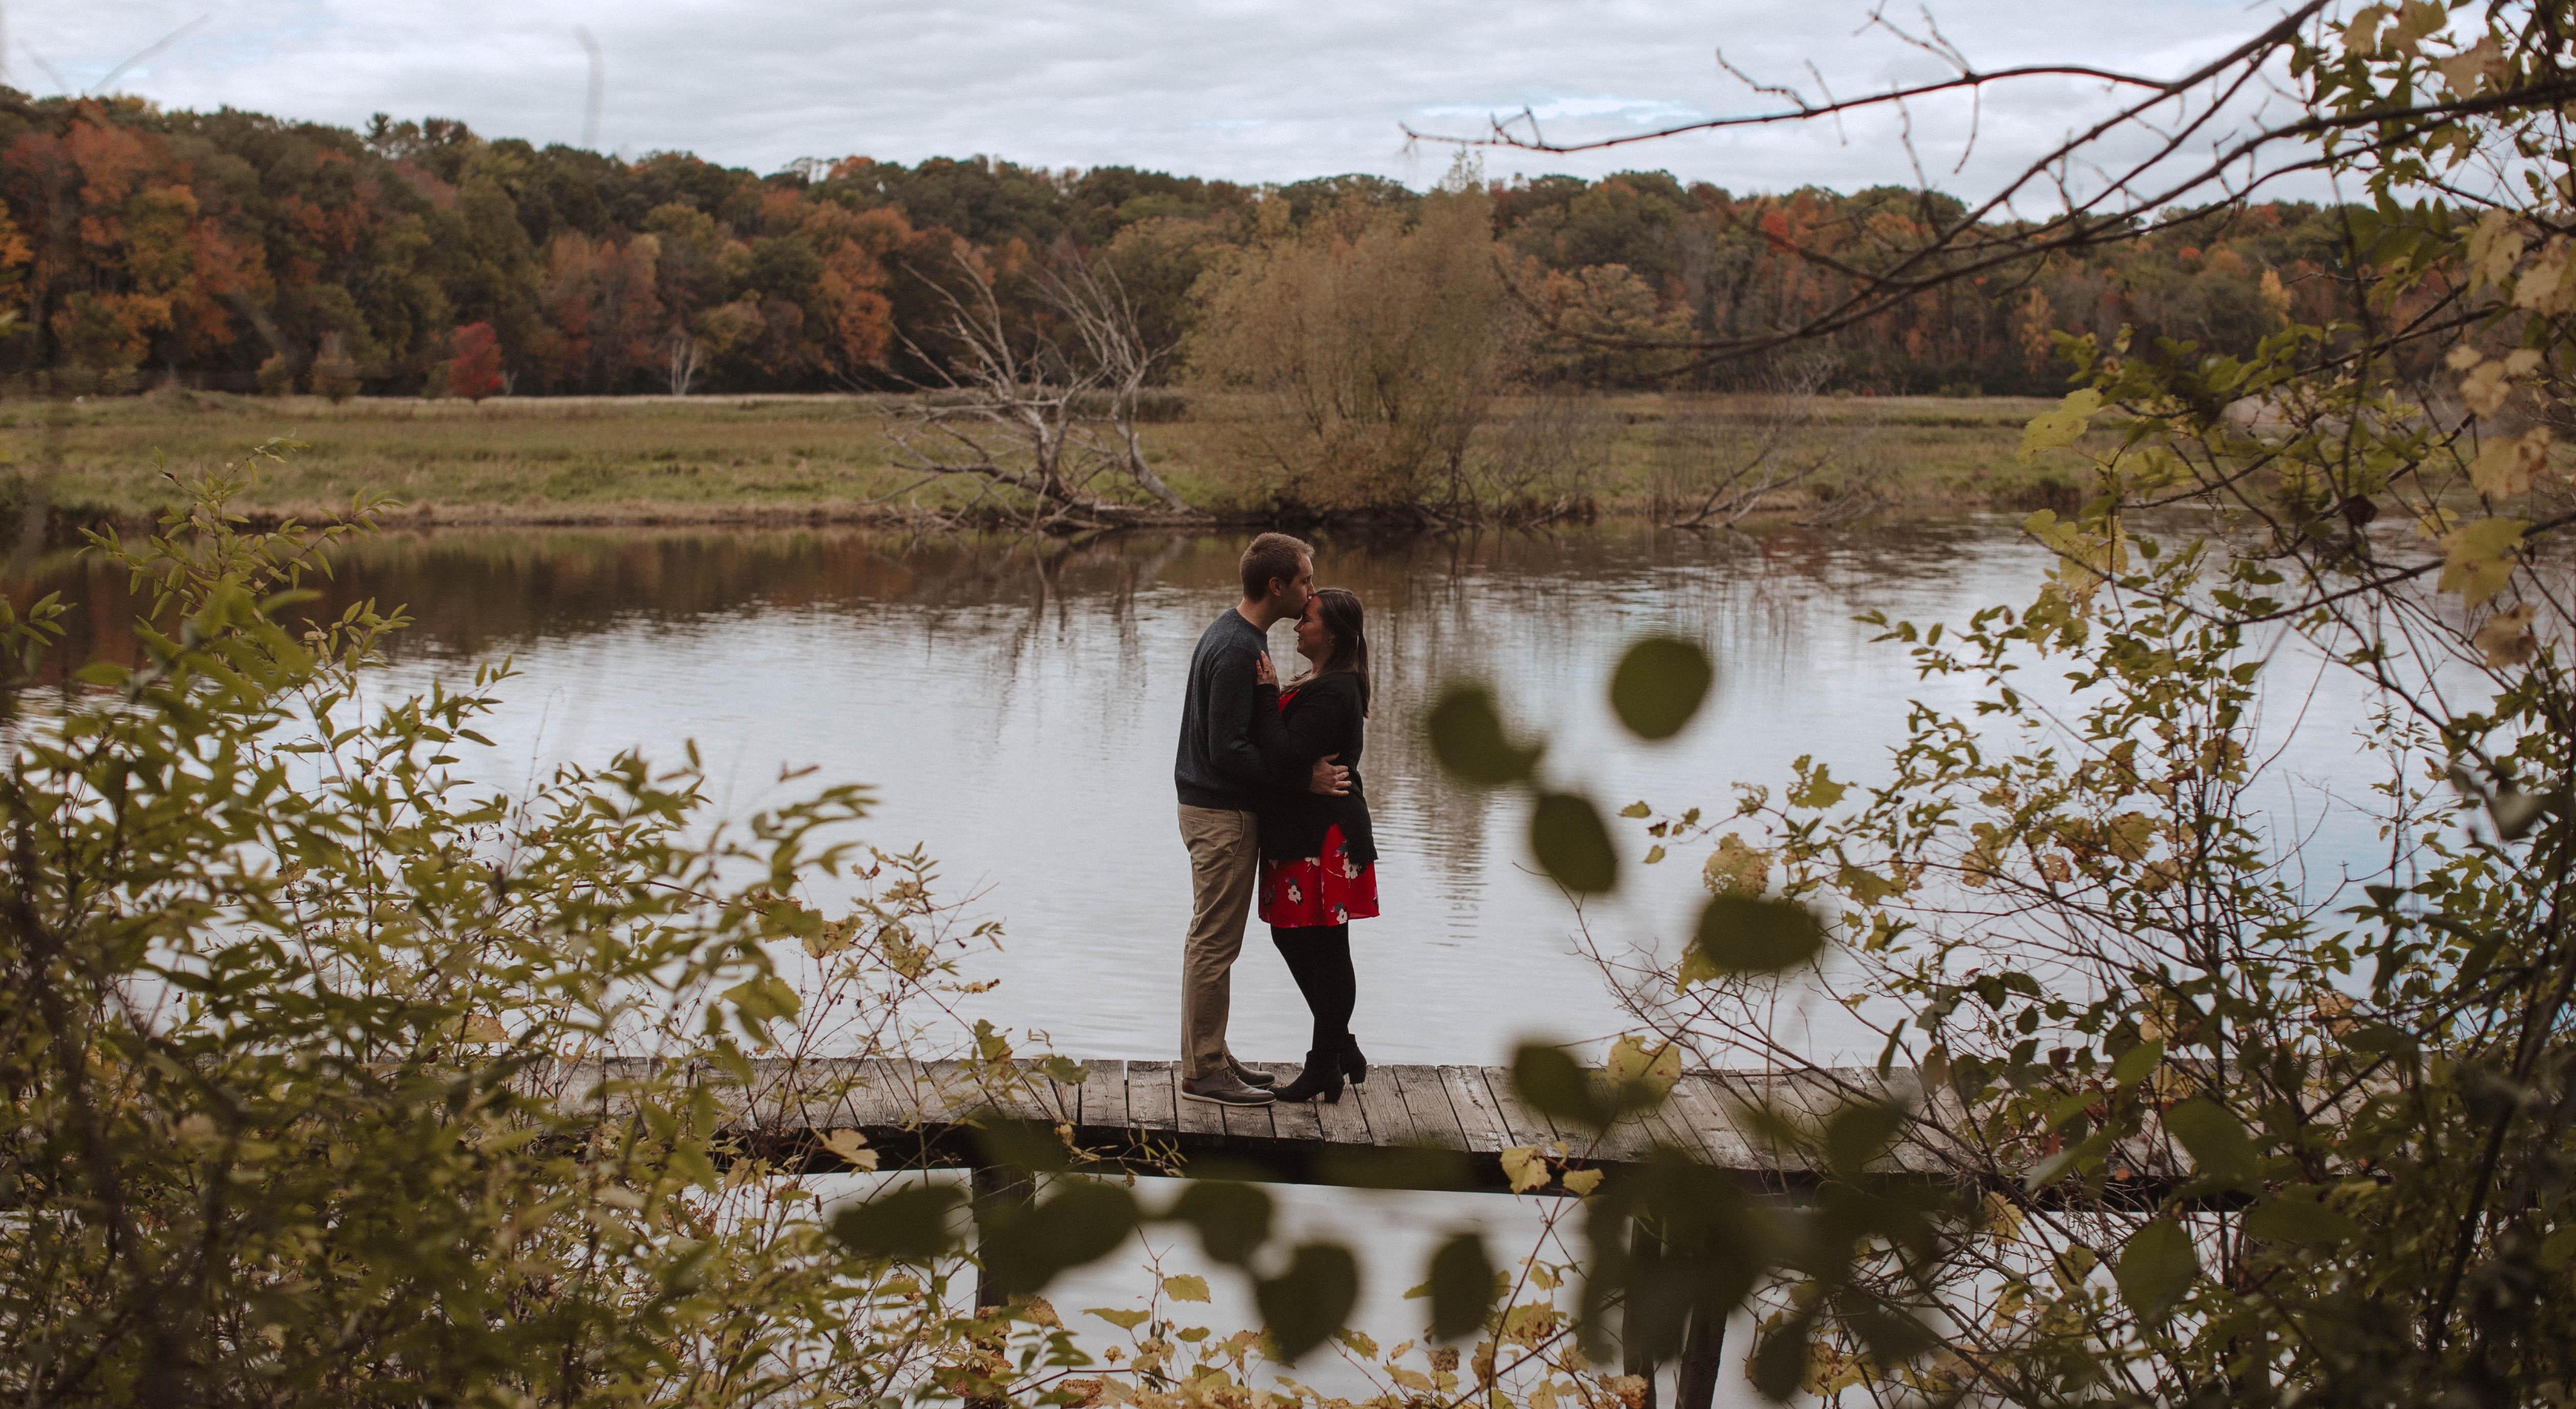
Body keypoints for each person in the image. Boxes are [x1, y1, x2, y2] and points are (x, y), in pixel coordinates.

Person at [1173, 533, 1349, 1107]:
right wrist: (1302, 779)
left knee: (1212, 939)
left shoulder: (1236, 635)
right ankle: (1203, 1072)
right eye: (1305, 579)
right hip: (1220, 815)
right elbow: (1226, 750)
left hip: (1215, 810)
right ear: (1277, 586)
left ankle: (1211, 1054)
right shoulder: (1236, 649)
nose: (1312, 590)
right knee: (1214, 942)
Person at [1248, 587, 1376, 1103]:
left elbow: (1286, 754)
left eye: (1308, 619)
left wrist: (1265, 695)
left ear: (1334, 635)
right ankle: (1339, 1046)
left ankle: (1324, 1062)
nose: (1298, 626)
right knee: (1294, 938)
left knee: (1327, 948)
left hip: (1322, 837)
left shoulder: (1335, 690)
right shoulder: (1319, 681)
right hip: (1302, 831)